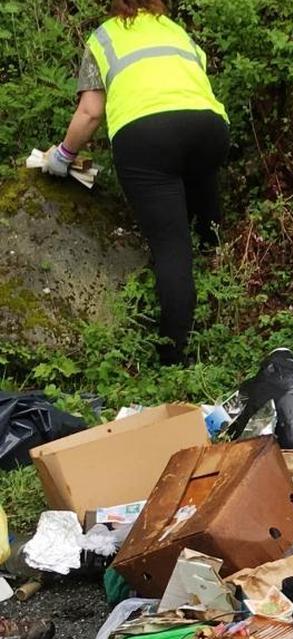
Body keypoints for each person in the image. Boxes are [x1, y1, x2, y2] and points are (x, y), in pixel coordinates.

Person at [43, 0, 229, 365]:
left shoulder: (104, 37)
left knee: (171, 247)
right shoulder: (176, 30)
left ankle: (175, 358)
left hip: (146, 138)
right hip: (209, 128)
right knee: (203, 193)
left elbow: (91, 111)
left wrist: (62, 157)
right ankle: (222, 269)